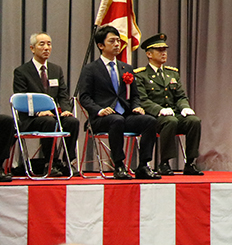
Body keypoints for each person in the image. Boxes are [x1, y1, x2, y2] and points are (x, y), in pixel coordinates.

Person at [78, 25, 161, 180]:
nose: (117, 44)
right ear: (101, 45)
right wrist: (99, 110)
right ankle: (119, 165)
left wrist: (136, 107)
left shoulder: (126, 68)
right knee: (116, 121)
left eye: (118, 40)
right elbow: (84, 97)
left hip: (124, 114)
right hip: (102, 118)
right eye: (112, 41)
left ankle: (143, 165)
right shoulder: (91, 69)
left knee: (149, 121)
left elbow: (135, 95)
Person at [12, 32, 80, 176]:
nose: (46, 48)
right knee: (48, 122)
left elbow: (62, 94)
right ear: (32, 48)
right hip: (31, 118)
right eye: (41, 44)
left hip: (53, 116)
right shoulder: (22, 72)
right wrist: (38, 112)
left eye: (49, 44)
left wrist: (66, 110)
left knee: (72, 121)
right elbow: (22, 98)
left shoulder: (56, 69)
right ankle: (51, 163)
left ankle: (68, 162)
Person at [135, 33, 203, 175]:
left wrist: (185, 107)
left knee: (194, 121)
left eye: (164, 50)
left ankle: (190, 162)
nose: (163, 53)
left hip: (173, 113)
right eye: (159, 50)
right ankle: (164, 163)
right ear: (149, 54)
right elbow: (143, 100)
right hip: (154, 116)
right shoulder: (141, 75)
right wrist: (159, 109)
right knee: (170, 121)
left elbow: (180, 96)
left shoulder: (172, 74)